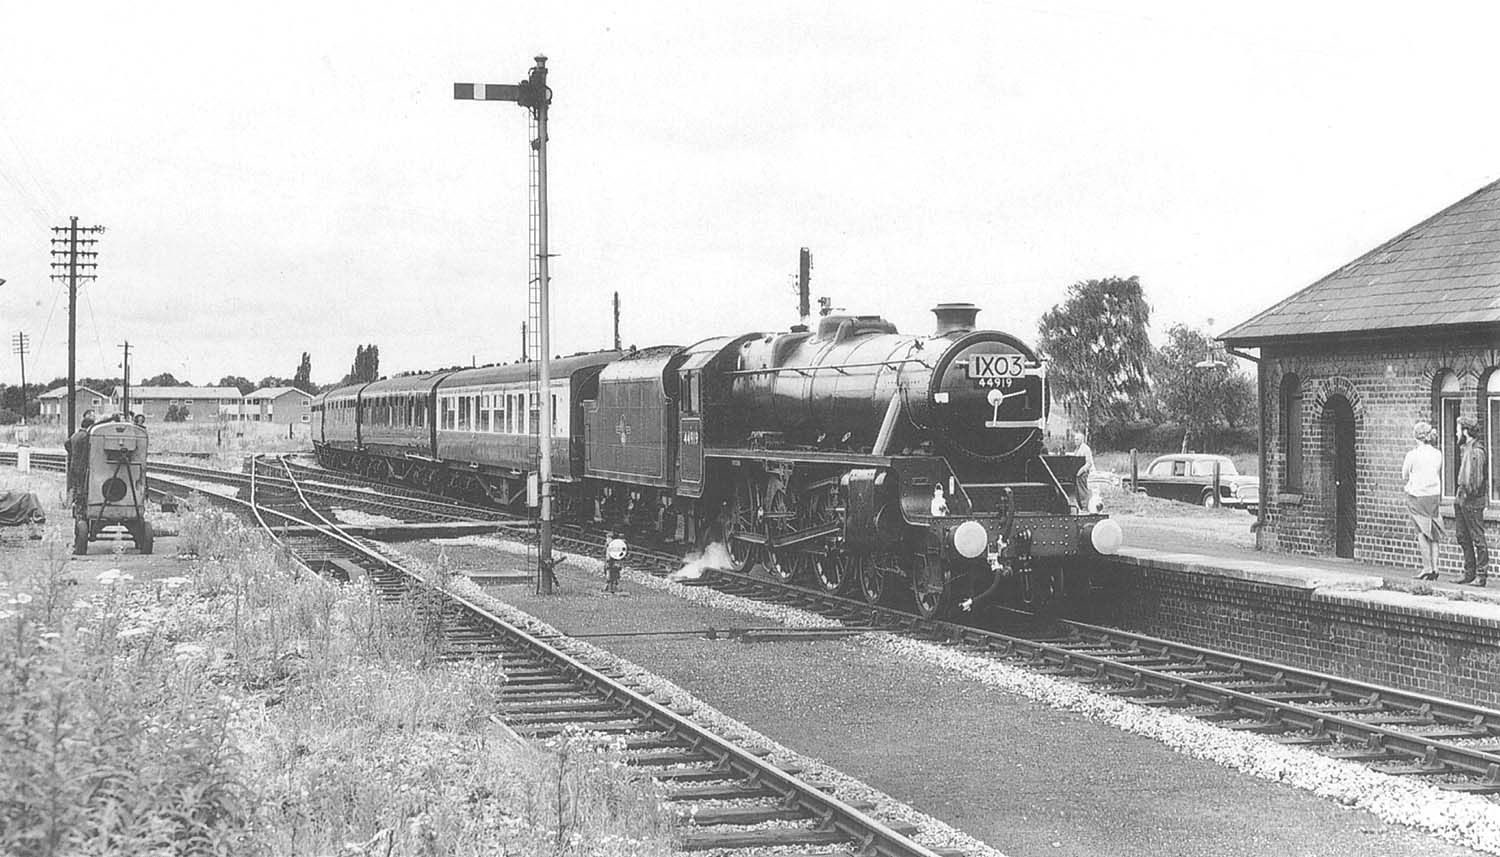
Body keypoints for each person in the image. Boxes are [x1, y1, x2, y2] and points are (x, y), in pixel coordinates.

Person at [1402, 420, 1444, 580]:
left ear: (1416, 437)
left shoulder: (1412, 455)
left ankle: (1426, 567)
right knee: (1433, 532)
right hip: (1433, 495)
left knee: (1421, 532)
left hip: (1417, 496)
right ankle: (1435, 567)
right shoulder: (1437, 454)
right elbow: (1437, 471)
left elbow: (1404, 475)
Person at [1455, 415, 1490, 586]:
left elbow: (1475, 480)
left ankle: (1481, 575)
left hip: (1472, 501)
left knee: (1477, 537)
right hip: (1463, 499)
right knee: (1462, 536)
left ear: (1466, 431)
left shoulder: (1476, 451)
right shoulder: (1467, 448)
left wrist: (1466, 494)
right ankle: (1469, 572)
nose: (1456, 433)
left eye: (1458, 429)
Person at [65, 411, 96, 513]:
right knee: (82, 488)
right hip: (82, 467)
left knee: (76, 486)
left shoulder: (75, 435)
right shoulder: (86, 437)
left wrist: (73, 453)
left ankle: (73, 506)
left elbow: (67, 444)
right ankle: (80, 508)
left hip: (74, 464)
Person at [1073, 431, 1096, 512]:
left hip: (1082, 473)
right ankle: (1081, 506)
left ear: (1081, 440)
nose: (1075, 441)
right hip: (1077, 474)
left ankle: (1085, 507)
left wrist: (1080, 471)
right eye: (1075, 439)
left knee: (1083, 490)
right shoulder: (1077, 449)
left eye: (1077, 439)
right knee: (1078, 491)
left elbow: (1089, 463)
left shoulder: (1086, 449)